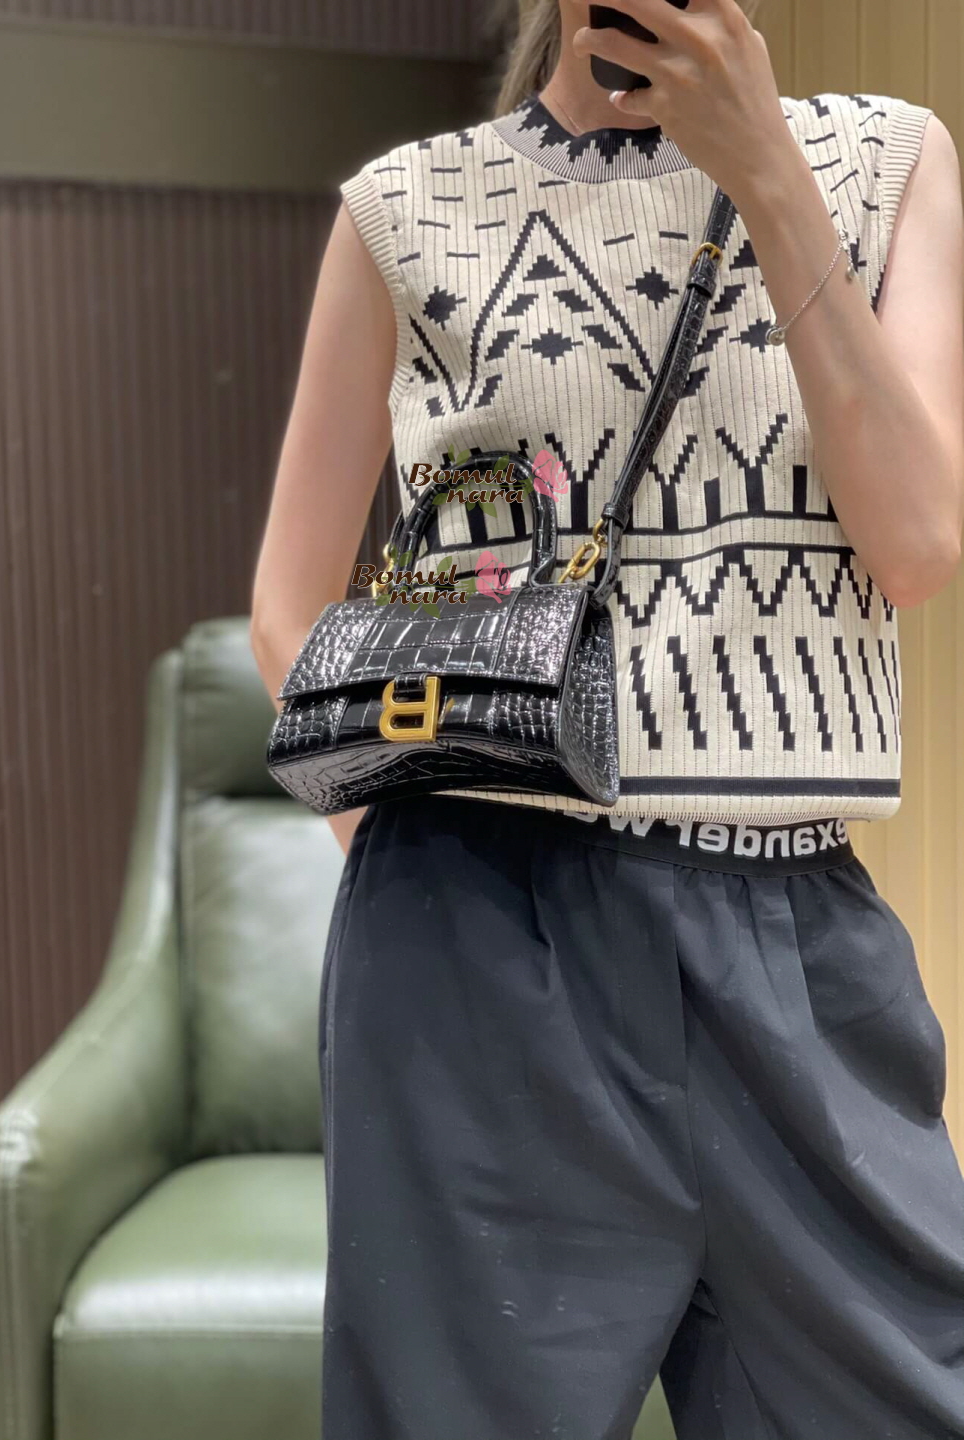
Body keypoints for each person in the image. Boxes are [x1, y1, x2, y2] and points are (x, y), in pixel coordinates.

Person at [250, 0, 964, 1435]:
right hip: (472, 934)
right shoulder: (403, 205)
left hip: (793, 935)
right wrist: (403, 861)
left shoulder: (885, 159)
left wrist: (768, 179)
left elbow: (917, 545)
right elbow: (287, 596)